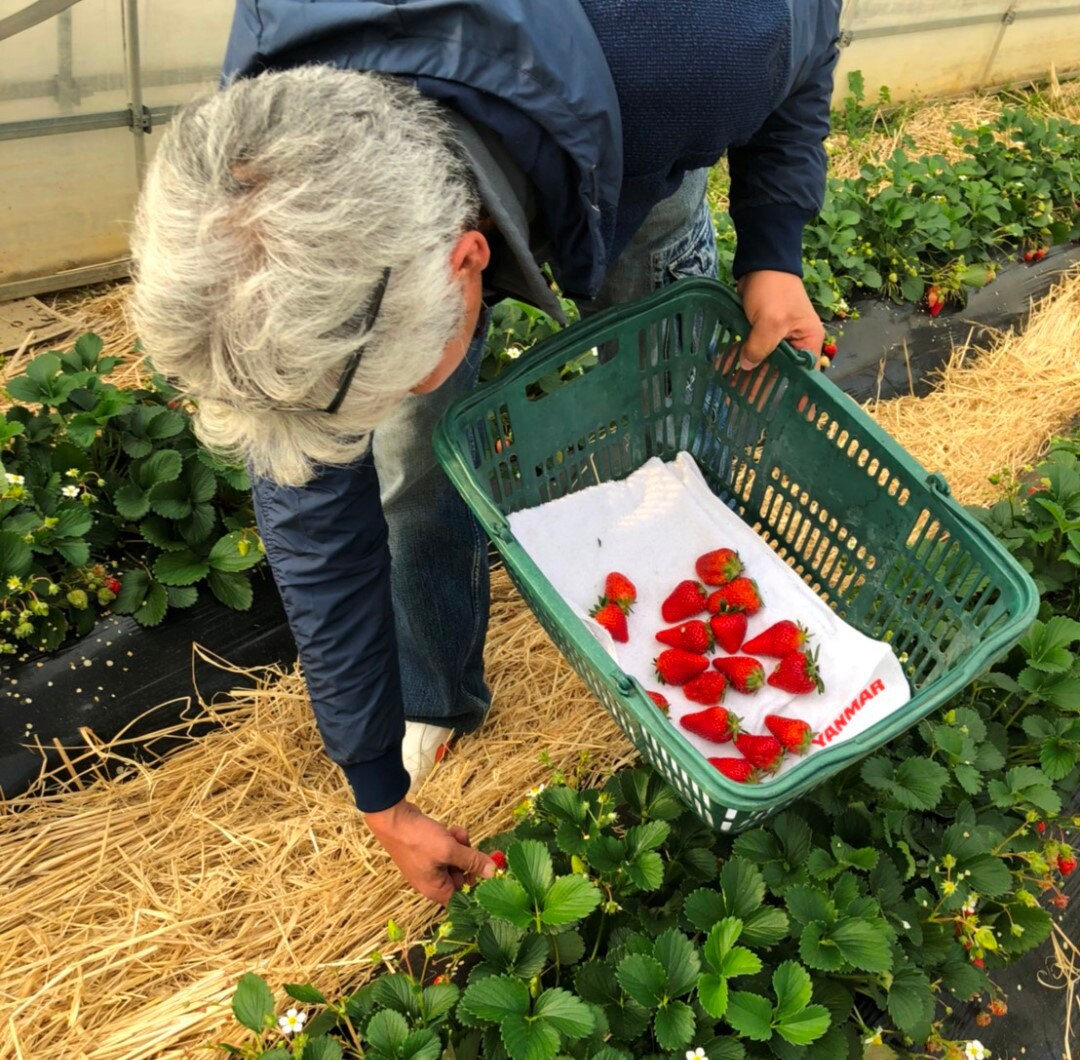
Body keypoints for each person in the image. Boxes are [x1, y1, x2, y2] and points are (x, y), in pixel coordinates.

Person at [130, 0, 840, 905]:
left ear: (471, 258)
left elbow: (808, 36)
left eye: (395, 373)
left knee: (664, 419)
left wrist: (773, 251)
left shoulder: (708, 44)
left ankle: (681, 601)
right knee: (409, 458)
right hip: (440, 167)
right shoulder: (258, 157)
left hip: (634, 150)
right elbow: (309, 495)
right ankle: (435, 692)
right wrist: (376, 790)